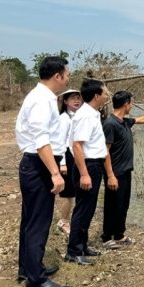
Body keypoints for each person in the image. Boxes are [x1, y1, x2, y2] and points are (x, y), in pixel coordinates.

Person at [15, 56, 71, 287]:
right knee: (38, 222)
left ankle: (28, 268)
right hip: (39, 165)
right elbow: (41, 140)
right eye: (67, 75)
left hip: (38, 164)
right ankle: (36, 279)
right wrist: (55, 174)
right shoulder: (41, 100)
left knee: (30, 220)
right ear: (57, 76)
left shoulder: (44, 97)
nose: (68, 79)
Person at [101, 91, 144, 248]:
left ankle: (119, 235)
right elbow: (105, 151)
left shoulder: (124, 122)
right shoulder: (111, 124)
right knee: (112, 205)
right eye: (131, 103)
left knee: (123, 205)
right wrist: (110, 175)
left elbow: (141, 119)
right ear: (126, 104)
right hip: (115, 173)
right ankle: (106, 237)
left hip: (126, 172)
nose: (132, 106)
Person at [65, 79, 108, 265]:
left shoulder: (93, 114)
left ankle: (82, 246)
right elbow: (77, 146)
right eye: (105, 93)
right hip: (88, 165)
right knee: (83, 209)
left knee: (89, 209)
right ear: (97, 96)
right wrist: (84, 174)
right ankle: (73, 251)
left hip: (94, 165)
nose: (107, 96)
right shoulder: (84, 115)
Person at [56, 89, 84, 235]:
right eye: (72, 98)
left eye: (78, 98)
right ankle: (63, 221)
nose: (76, 100)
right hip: (67, 155)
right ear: (65, 101)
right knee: (68, 193)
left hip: (77, 155)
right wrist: (62, 163)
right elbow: (60, 142)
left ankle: (71, 220)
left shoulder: (78, 116)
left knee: (75, 191)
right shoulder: (64, 118)